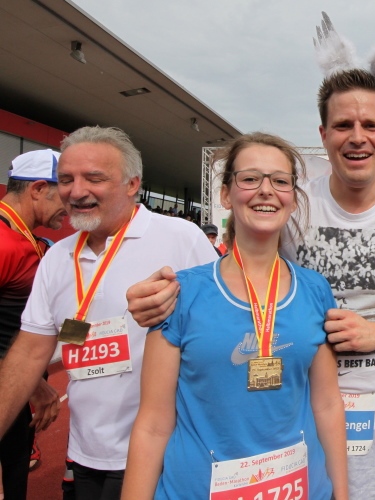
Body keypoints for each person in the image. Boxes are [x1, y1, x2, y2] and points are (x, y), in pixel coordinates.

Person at [127, 68, 375, 499]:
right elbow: (237, 273)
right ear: (324, 135)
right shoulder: (293, 202)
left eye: (370, 125)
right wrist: (163, 298)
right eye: (343, 125)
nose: (357, 137)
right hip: (300, 410)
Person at [122, 133, 347, 500]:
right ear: (226, 194)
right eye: (250, 178)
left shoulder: (315, 289)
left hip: (299, 489)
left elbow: (327, 403)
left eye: (280, 181)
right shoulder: (181, 293)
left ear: (292, 199)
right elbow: (153, 424)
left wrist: (342, 493)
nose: (266, 190)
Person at [0, 126, 217, 500]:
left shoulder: (181, 238)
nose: (76, 191)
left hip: (166, 453)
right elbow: (29, 352)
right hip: (85, 453)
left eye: (94, 178)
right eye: (66, 179)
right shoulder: (56, 257)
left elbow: (226, 330)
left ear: (132, 184)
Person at [0, 149, 66, 500]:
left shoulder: (30, 241)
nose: (70, 205)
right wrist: (31, 384)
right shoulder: (3, 243)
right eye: (64, 192)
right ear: (38, 189)